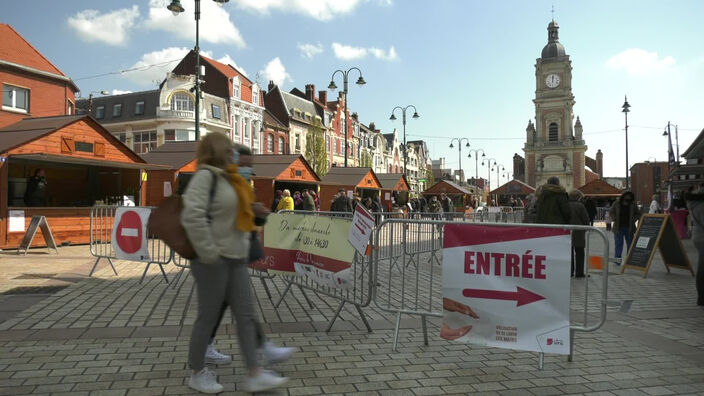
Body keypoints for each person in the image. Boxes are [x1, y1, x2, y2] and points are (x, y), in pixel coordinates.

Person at [181, 133, 288, 393]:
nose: (233, 152)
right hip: (213, 260)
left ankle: (255, 373)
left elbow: (237, 214)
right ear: (215, 150)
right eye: (227, 148)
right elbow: (192, 216)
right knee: (207, 318)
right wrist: (208, 254)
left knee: (246, 315)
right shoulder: (205, 176)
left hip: (235, 258)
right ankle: (197, 372)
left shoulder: (230, 178)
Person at [205, 144, 294, 374]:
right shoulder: (221, 185)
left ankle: (254, 352)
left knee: (232, 306)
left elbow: (250, 219)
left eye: (249, 165)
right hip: (221, 256)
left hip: (235, 254)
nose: (246, 169)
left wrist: (260, 215)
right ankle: (257, 358)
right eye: (242, 164)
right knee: (237, 308)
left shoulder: (244, 185)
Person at [685, 185, 704, 306]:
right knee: (702, 268)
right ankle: (702, 297)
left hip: (698, 236)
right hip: (703, 237)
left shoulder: (694, 202)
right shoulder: (701, 205)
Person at [609, 190, 640, 264]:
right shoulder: (617, 203)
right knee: (618, 244)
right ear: (623, 196)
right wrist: (614, 218)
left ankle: (629, 260)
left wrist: (633, 219)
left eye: (629, 196)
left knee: (630, 244)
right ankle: (617, 260)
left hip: (629, 227)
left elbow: (638, 214)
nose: (628, 197)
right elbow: (611, 211)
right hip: (618, 227)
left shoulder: (633, 204)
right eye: (626, 195)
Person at [568, 190, 590, 278]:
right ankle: (579, 272)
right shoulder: (580, 206)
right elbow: (585, 219)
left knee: (569, 252)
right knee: (580, 252)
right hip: (579, 231)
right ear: (578, 197)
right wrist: (587, 227)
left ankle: (570, 271)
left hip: (567, 231)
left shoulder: (566, 205)